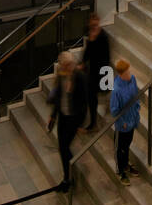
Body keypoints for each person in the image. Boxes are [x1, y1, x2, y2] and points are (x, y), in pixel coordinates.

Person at [46, 51, 88, 191]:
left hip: (73, 118)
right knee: (62, 147)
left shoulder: (79, 77)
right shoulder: (60, 75)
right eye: (65, 65)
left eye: (69, 65)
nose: (67, 68)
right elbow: (58, 96)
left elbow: (83, 102)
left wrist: (80, 124)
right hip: (63, 116)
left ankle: (68, 178)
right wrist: (53, 115)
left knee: (64, 147)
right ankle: (67, 176)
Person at [109, 59, 141, 185]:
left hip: (132, 120)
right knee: (120, 148)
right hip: (123, 125)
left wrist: (137, 110)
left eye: (129, 71)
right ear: (121, 74)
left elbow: (136, 95)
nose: (130, 73)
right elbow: (114, 110)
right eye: (127, 72)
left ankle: (126, 164)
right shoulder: (116, 90)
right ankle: (120, 170)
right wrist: (123, 122)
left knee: (127, 145)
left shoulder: (132, 79)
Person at [80, 14, 111, 132]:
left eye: (95, 23)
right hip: (92, 71)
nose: (93, 25)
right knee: (92, 98)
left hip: (102, 70)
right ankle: (93, 124)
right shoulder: (90, 34)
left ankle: (109, 113)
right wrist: (83, 62)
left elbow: (106, 57)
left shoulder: (103, 36)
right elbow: (87, 51)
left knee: (106, 93)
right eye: (91, 23)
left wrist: (104, 73)